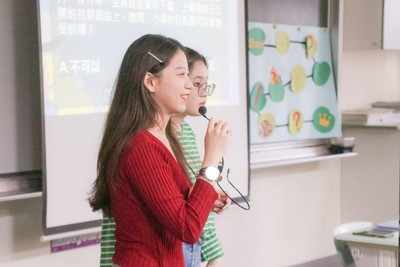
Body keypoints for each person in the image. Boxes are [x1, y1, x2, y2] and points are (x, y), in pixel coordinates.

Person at [89, 34, 231, 267]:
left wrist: (206, 198)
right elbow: (188, 227)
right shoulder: (141, 146)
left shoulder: (163, 137)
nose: (189, 85)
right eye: (181, 74)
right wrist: (212, 160)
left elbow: (178, 207)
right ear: (151, 82)